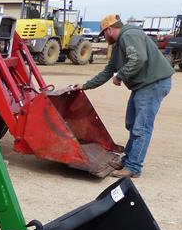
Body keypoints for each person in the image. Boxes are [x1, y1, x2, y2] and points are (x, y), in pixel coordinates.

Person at [74, 14, 173, 178]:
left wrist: (120, 76)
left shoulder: (129, 35)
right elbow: (108, 70)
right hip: (143, 86)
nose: (104, 37)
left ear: (109, 30)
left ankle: (133, 167)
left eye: (103, 34)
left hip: (152, 84)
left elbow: (139, 58)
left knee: (141, 127)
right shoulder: (120, 44)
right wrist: (86, 85)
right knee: (132, 123)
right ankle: (127, 160)